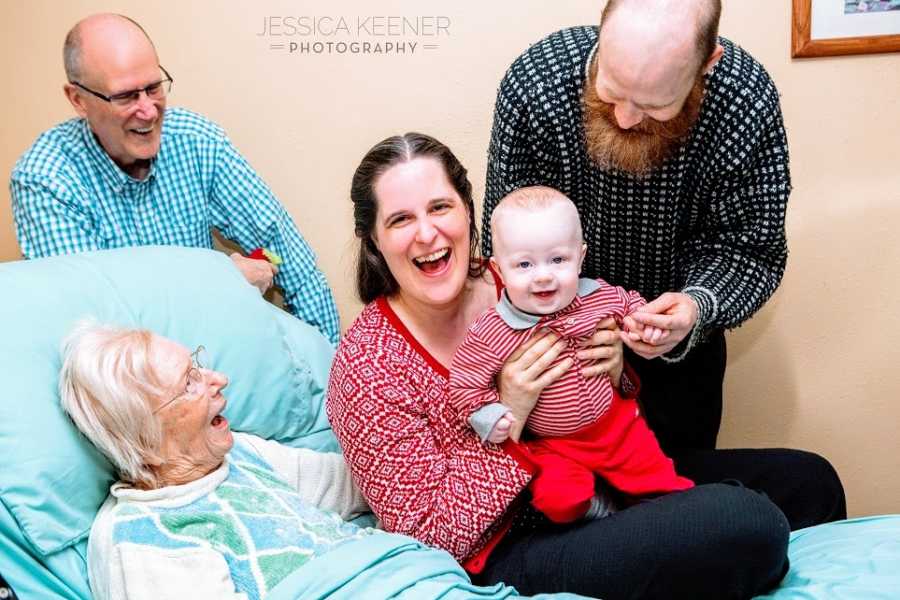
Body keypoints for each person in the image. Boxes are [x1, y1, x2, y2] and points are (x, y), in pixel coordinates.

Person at [327, 132, 845, 600]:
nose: (427, 233)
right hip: (517, 540)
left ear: (467, 211)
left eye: (440, 207)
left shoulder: (522, 273)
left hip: (608, 470)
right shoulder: (368, 365)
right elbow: (426, 534)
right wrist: (510, 411)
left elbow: (603, 384)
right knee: (745, 523)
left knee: (811, 482)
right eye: (400, 219)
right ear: (373, 240)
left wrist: (618, 362)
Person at [59, 322, 582, 600]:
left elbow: (369, 485)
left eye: (200, 364)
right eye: (190, 382)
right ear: (145, 434)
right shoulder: (141, 539)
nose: (217, 380)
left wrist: (479, 415)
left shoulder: (242, 454)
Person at [482, 0, 789, 452]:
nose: (624, 117)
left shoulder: (744, 100)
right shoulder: (537, 84)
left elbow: (749, 249)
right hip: (555, 357)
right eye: (611, 89)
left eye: (654, 104)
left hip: (677, 358)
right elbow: (509, 243)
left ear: (707, 64)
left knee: (682, 503)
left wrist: (695, 307)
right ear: (602, 32)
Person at [10, 14, 339, 344]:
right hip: (126, 381)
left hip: (214, 357)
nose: (149, 111)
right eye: (125, 96)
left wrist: (334, 374)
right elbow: (99, 327)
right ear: (78, 100)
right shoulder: (45, 181)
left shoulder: (195, 140)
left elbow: (288, 252)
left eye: (153, 87)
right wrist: (219, 281)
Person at [450, 186, 692, 524]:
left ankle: (671, 517)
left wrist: (646, 326)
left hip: (616, 427)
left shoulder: (598, 296)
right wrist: (491, 416)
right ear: (499, 270)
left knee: (662, 483)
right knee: (559, 500)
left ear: (580, 258)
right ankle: (597, 507)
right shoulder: (494, 330)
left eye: (558, 259)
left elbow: (633, 306)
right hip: (553, 444)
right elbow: (464, 385)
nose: (544, 275)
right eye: (524, 264)